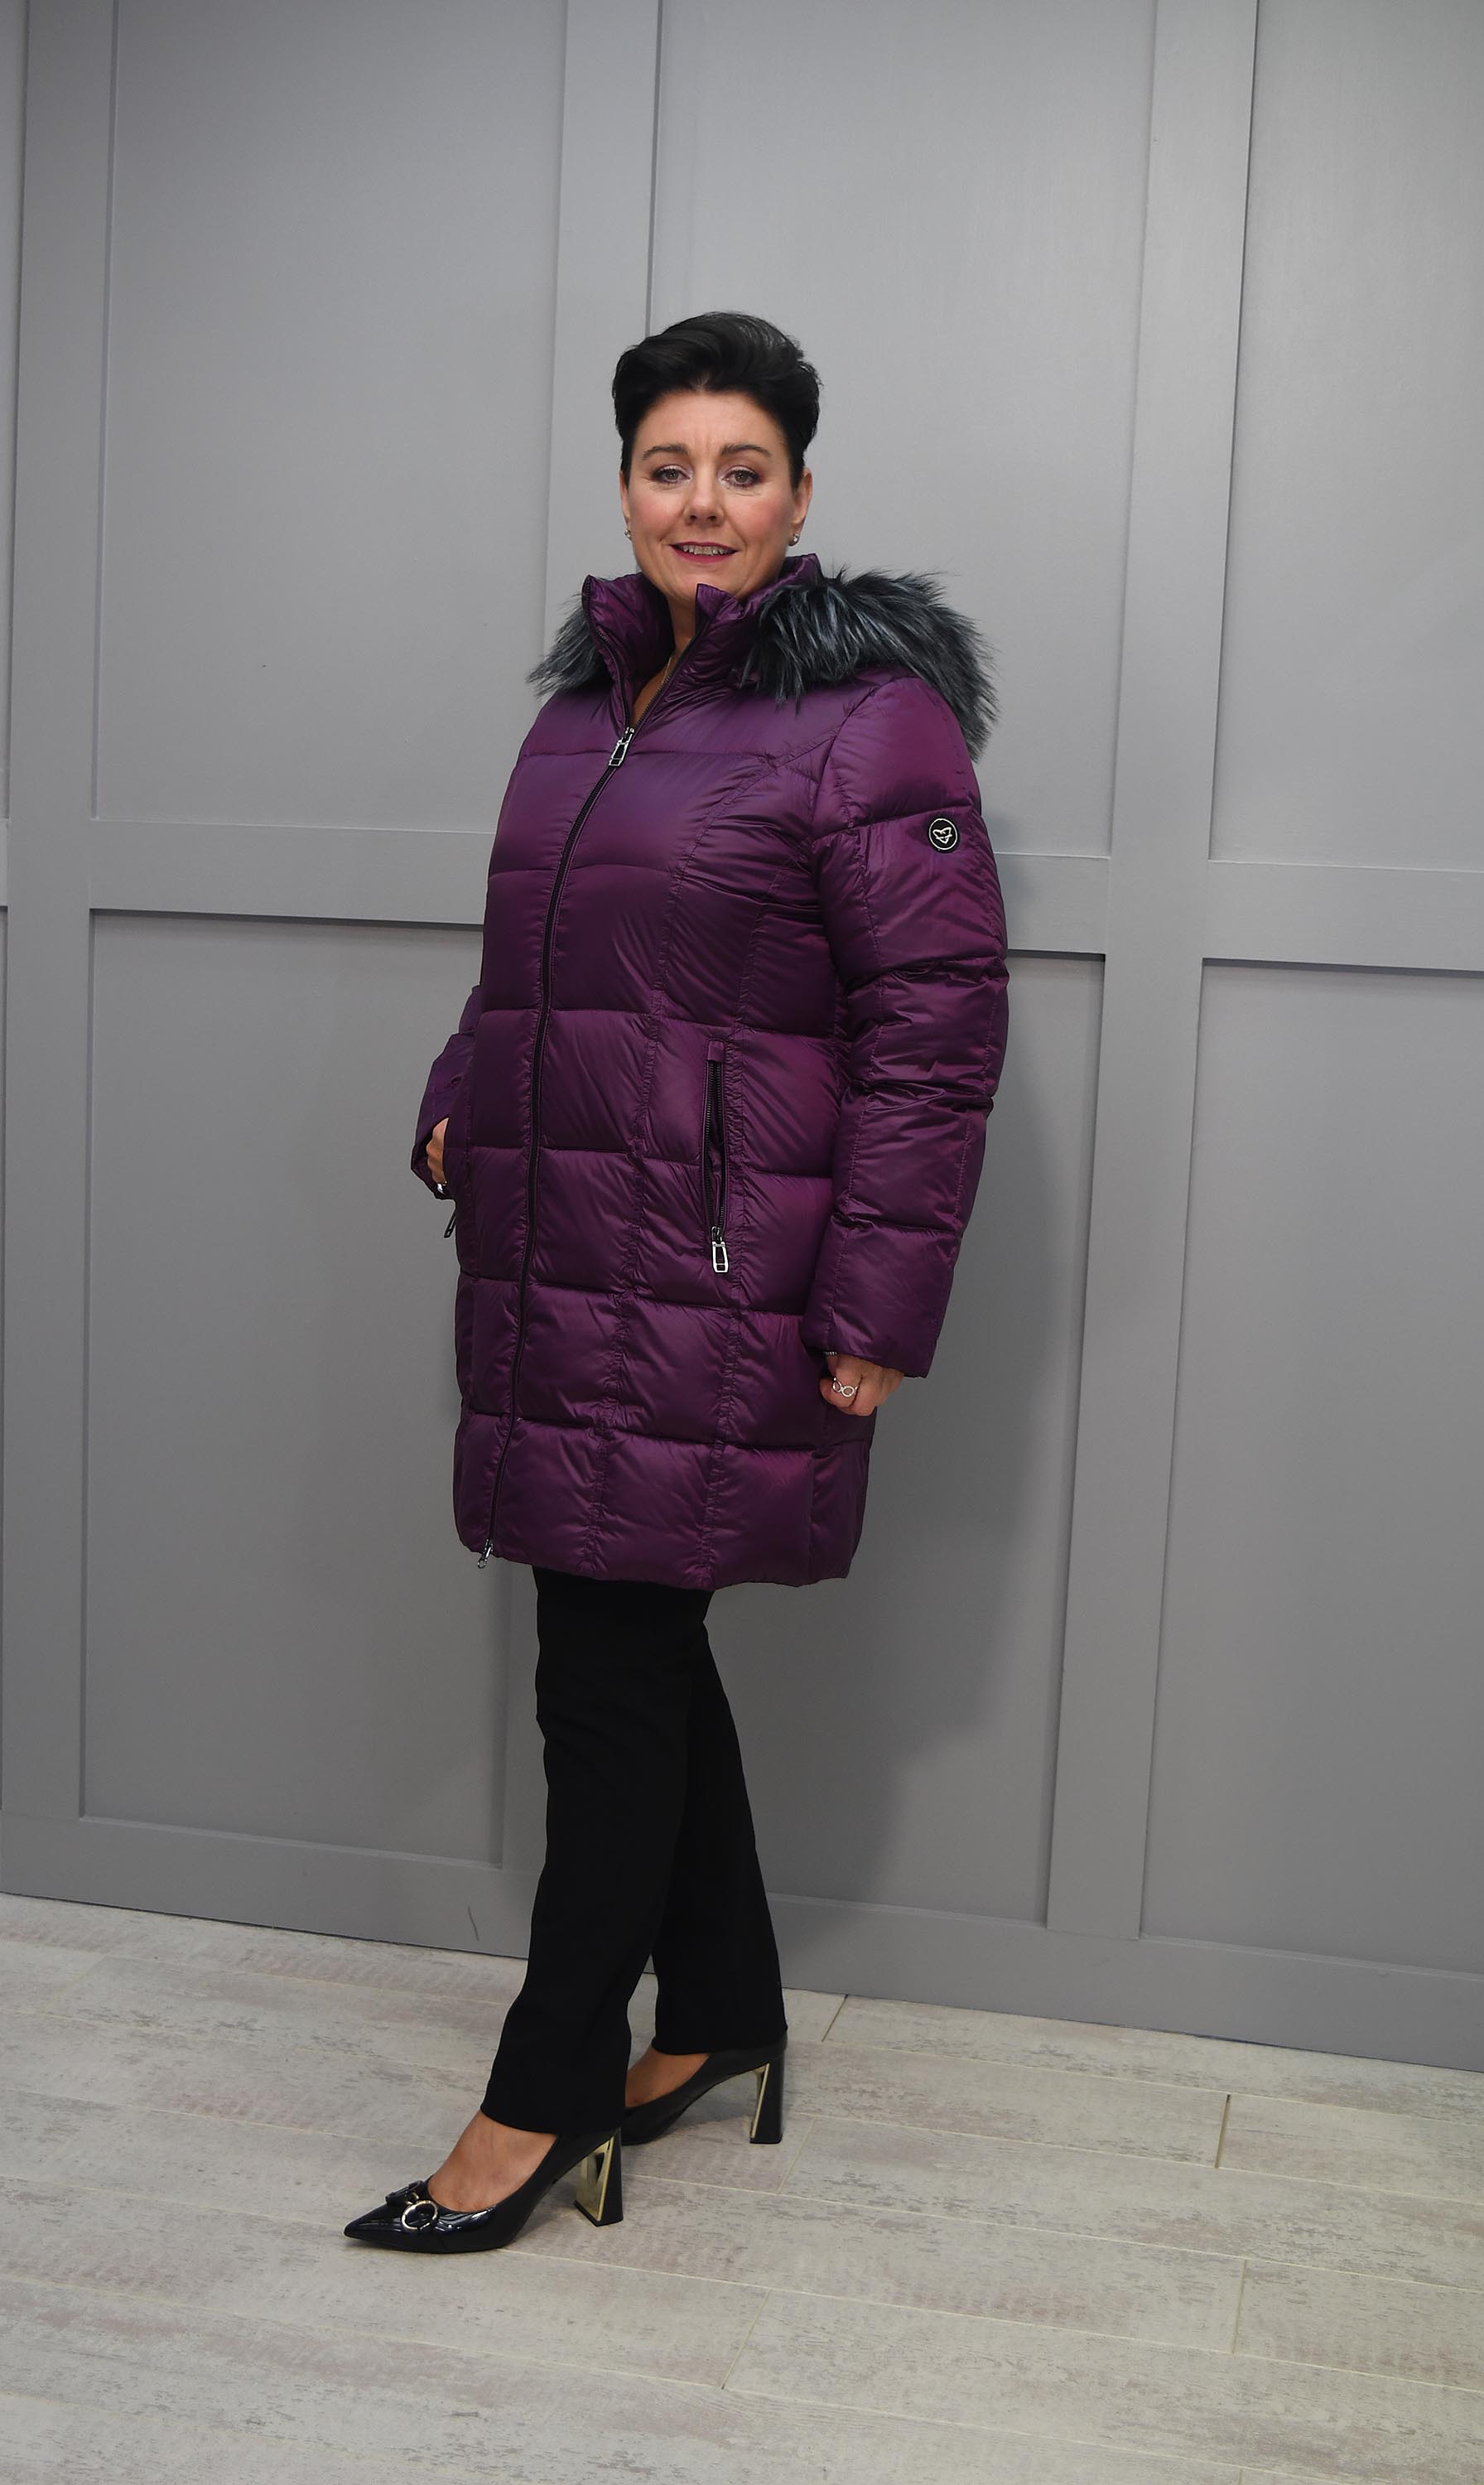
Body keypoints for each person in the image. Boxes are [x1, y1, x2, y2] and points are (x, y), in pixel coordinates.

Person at [344, 311, 1009, 2255]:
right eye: (667, 466)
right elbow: (529, 966)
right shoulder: (585, 709)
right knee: (629, 1639)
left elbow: (935, 1034)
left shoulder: (871, 723)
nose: (700, 501)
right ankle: (717, 2012)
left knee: (603, 1669)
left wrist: (877, 1308)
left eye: (741, 469)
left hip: (724, 1274)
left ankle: (542, 2091)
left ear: (799, 495)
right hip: (561, 1245)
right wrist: (459, 1093)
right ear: (624, 485)